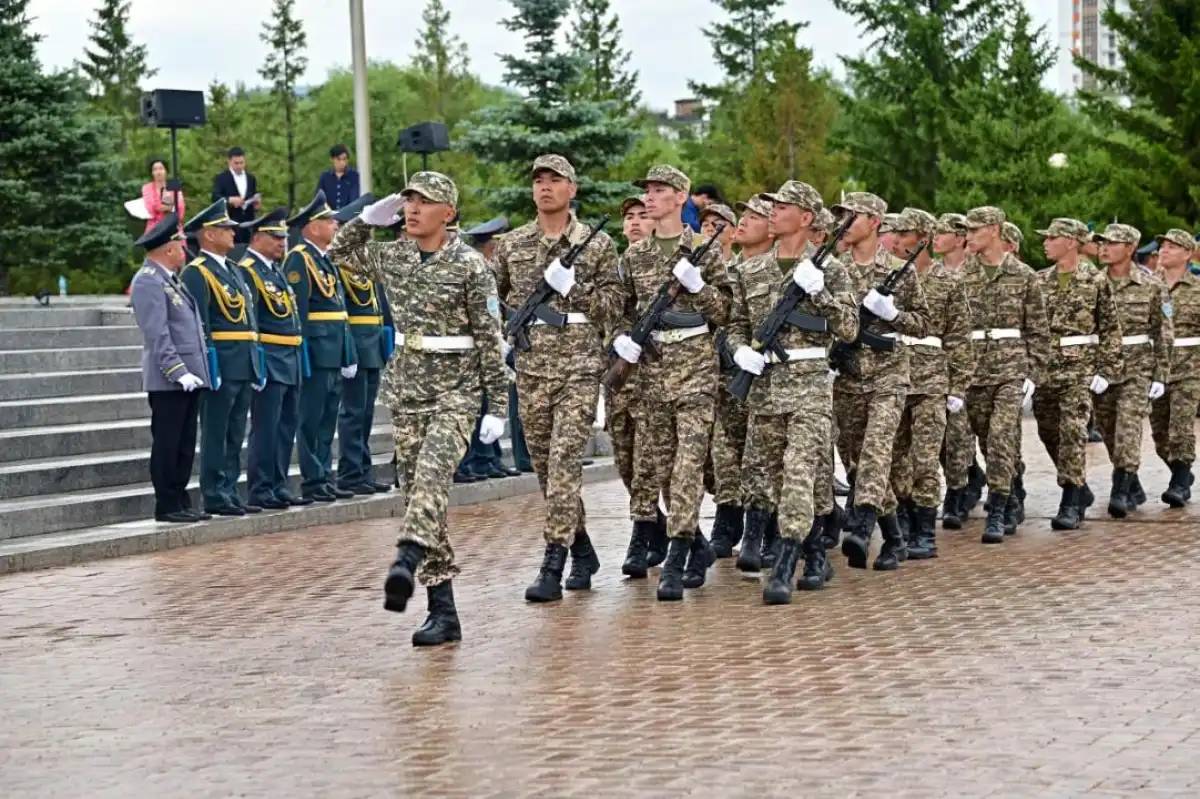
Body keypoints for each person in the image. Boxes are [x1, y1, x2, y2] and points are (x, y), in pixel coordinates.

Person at [329, 172, 509, 647]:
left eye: (424, 202)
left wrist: (498, 405)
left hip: (457, 390)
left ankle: (406, 558)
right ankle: (442, 610)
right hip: (408, 391)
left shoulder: (471, 266)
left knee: (431, 478)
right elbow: (338, 255)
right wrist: (364, 221)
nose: (411, 209)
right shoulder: (395, 256)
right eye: (408, 200)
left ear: (448, 213)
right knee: (417, 498)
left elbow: (492, 340)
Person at [492, 155, 623, 602]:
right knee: (546, 469)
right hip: (531, 368)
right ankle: (583, 548)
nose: (545, 187)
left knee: (566, 461)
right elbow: (491, 301)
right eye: (538, 181)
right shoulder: (511, 245)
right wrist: (506, 330)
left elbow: (613, 306)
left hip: (580, 366)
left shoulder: (598, 244)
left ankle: (553, 560)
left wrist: (574, 289)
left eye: (555, 180)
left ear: (573, 188)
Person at [727, 181, 858, 602]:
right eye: (772, 205)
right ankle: (816, 547)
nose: (772, 210)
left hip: (810, 387)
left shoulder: (830, 269)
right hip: (765, 389)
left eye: (783, 206)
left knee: (801, 473)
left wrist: (819, 294)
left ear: (805, 217)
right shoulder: (750, 270)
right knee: (789, 480)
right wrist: (738, 350)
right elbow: (734, 326)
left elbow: (849, 328)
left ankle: (783, 565)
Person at [612, 164, 731, 601]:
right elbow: (621, 311)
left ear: (681, 197)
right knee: (659, 466)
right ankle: (694, 546)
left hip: (696, 366)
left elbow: (725, 312)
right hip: (653, 372)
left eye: (660, 190)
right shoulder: (634, 256)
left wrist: (698, 288)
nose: (650, 197)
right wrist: (620, 340)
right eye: (647, 190)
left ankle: (678, 555)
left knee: (688, 466)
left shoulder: (704, 249)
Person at [829, 192, 930, 572]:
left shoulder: (898, 269)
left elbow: (922, 323)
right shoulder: (834, 269)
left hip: (889, 372)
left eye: (851, 217)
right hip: (849, 376)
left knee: (876, 451)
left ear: (874, 221)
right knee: (857, 461)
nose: (844, 224)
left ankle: (861, 523)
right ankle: (895, 536)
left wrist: (894, 313)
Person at [959, 206, 1050, 543]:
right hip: (973, 371)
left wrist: (1033, 374)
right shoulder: (960, 276)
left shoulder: (1024, 275)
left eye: (974, 229)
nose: (968, 236)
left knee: (1001, 438)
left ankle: (995, 510)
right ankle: (1011, 495)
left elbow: (1038, 330)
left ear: (994, 230)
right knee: (987, 440)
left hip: (1011, 369)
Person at [886, 208, 972, 559]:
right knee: (895, 458)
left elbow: (959, 337)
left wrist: (958, 386)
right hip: (893, 377)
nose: (895, 239)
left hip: (932, 381)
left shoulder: (947, 281)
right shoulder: (889, 278)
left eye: (904, 234)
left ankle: (925, 530)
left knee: (924, 459)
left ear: (921, 239)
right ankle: (903, 519)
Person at [1030, 218, 1123, 530]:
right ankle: (1080, 488)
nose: (1045, 242)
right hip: (1046, 368)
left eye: (1052, 237)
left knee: (1072, 431)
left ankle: (1070, 500)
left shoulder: (1095, 281)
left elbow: (1111, 330)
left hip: (1080, 368)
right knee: (1047, 430)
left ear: (1070, 241)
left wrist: (1107, 369)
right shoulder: (1040, 280)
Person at [180, 199, 264, 516]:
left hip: (242, 360)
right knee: (216, 430)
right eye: (226, 228)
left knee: (234, 431)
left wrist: (256, 361)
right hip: (221, 362)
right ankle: (214, 492)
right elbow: (199, 325)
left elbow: (250, 320)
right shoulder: (197, 273)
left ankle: (229, 488)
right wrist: (208, 365)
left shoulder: (235, 271)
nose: (233, 233)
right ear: (209, 235)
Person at [130, 213, 212, 523]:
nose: (185, 248)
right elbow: (157, 334)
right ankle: (167, 504)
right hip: (169, 380)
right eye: (180, 244)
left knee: (184, 442)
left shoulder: (168, 279)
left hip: (189, 377)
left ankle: (181, 499)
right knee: (168, 442)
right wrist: (178, 371)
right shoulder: (148, 281)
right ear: (168, 249)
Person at [707, 195, 774, 559]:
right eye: (743, 215)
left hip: (767, 377)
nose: (744, 221)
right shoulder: (726, 269)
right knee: (724, 454)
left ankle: (760, 526)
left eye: (754, 216)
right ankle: (728, 516)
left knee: (759, 455)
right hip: (725, 372)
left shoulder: (779, 271)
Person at [1091, 223, 1173, 517]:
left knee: (1128, 426)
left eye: (1111, 243)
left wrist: (1161, 373)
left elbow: (1163, 331)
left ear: (1130, 248)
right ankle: (1132, 483)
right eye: (1101, 243)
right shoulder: (1092, 283)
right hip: (1101, 369)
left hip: (1137, 366)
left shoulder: (1151, 285)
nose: (1104, 248)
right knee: (1109, 429)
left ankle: (1120, 489)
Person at [606, 195, 669, 566]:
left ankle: (642, 535)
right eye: (628, 216)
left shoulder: (661, 265)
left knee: (648, 463)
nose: (633, 222)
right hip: (618, 379)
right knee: (626, 463)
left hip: (651, 377)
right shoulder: (614, 266)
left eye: (642, 216)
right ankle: (656, 525)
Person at [284, 190, 358, 503]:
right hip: (316, 351)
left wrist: (347, 351)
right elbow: (298, 312)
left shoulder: (325, 260)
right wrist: (302, 353)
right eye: (328, 220)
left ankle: (324, 476)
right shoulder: (299, 258)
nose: (334, 225)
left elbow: (340, 311)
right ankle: (313, 479)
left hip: (333, 349)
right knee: (311, 419)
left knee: (327, 419)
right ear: (312, 227)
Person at [237, 207, 309, 510]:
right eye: (275, 236)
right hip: (269, 356)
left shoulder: (274, 270)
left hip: (289, 356)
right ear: (256, 238)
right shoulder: (248, 270)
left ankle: (278, 483)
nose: (282, 242)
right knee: (266, 428)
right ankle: (261, 487)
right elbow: (250, 320)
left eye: (284, 236)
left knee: (285, 426)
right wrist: (257, 362)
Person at [331, 193, 394, 494]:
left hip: (372, 346)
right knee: (353, 412)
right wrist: (347, 349)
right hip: (355, 344)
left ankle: (362, 469)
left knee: (366, 413)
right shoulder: (340, 264)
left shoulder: (364, 264)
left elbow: (378, 307)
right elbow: (341, 310)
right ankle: (350, 472)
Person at [931, 212, 984, 528]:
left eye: (943, 232)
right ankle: (970, 476)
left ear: (961, 237)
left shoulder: (978, 273)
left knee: (961, 431)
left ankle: (958, 492)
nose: (936, 237)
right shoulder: (933, 273)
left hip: (976, 359)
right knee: (941, 433)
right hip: (937, 362)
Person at [1150, 229, 1200, 506]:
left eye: (1172, 246)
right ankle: (1181, 473)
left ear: (1187, 253)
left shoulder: (1197, 288)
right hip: (1157, 369)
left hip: (1190, 368)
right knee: (1159, 432)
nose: (1164, 250)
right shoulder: (1148, 285)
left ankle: (1179, 483)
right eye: (1163, 246)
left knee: (1181, 426)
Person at [211, 147, 260, 242]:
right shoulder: (221, 178)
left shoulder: (251, 178)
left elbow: (252, 196)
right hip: (230, 223)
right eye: (236, 163)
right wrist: (230, 200)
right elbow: (215, 197)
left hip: (248, 223)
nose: (239, 166)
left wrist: (256, 204)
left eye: (242, 163)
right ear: (229, 162)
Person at [141, 158, 185, 233]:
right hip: (154, 228)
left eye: (161, 169)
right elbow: (151, 208)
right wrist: (169, 207)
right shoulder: (147, 188)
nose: (158, 172)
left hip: (173, 226)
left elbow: (180, 209)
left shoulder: (173, 184)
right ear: (152, 173)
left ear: (166, 171)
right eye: (155, 169)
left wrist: (167, 207)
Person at [316, 144, 361, 210]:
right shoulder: (325, 177)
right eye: (339, 159)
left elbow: (354, 198)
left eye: (344, 159)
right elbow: (319, 198)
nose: (342, 162)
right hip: (329, 216)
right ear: (332, 159)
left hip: (349, 215)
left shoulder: (354, 176)